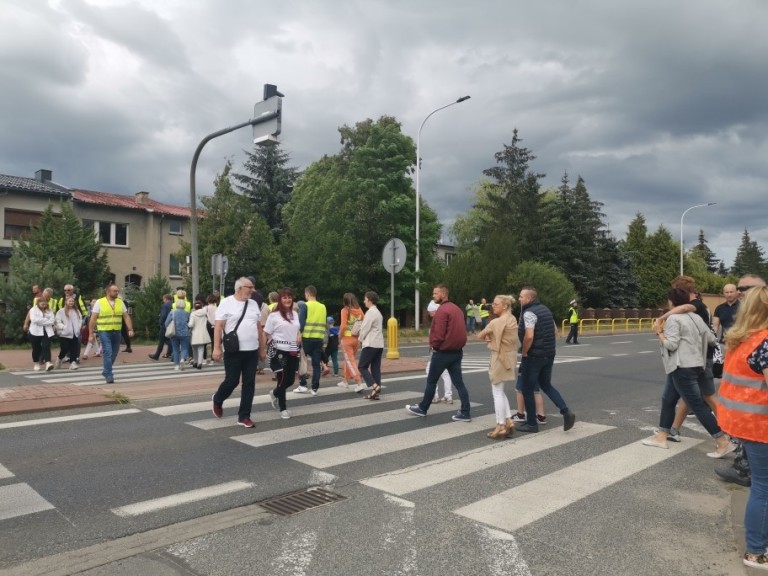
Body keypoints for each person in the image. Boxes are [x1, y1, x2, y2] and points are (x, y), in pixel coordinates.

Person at [642, 287, 735, 457]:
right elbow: (711, 339)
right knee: (668, 399)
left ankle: (722, 441)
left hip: (682, 367)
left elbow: (671, 345)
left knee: (697, 405)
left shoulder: (673, 319)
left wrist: (659, 332)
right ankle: (662, 436)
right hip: (695, 364)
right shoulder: (695, 317)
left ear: (672, 302)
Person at [716, 285, 768, 569]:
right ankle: (756, 552)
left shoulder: (741, 339)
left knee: (761, 485)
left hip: (744, 424)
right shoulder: (765, 342)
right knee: (763, 487)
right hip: (761, 426)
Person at [715, 274, 766, 488]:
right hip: (755, 422)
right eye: (738, 289)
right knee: (762, 488)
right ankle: (743, 468)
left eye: (745, 289)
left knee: (761, 488)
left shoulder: (752, 338)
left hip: (751, 421)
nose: (739, 293)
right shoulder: (754, 339)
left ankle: (743, 468)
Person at [653, 276, 716, 441]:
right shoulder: (697, 308)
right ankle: (671, 430)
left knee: (705, 398)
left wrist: (660, 322)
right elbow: (711, 337)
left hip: (693, 359)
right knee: (680, 398)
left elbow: (683, 309)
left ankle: (726, 434)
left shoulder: (694, 306)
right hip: (695, 358)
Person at [406, 284, 472, 422]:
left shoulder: (442, 310)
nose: (433, 296)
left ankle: (422, 408)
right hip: (457, 352)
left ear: (443, 294)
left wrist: (434, 346)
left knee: (431, 381)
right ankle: (465, 412)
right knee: (459, 383)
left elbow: (439, 333)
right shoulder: (457, 309)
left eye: (435, 293)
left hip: (442, 353)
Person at [516, 286, 576, 433]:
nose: (519, 299)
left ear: (529, 298)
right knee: (546, 385)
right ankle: (566, 412)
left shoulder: (529, 313)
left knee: (527, 389)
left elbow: (529, 336)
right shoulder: (545, 309)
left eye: (521, 296)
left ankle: (531, 424)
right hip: (549, 354)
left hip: (533, 356)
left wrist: (524, 351)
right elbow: (555, 331)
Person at [211, 277, 266, 428]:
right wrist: (216, 348)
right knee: (232, 380)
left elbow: (259, 328)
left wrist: (262, 349)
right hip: (233, 350)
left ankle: (244, 416)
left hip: (252, 350)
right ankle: (218, 398)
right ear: (240, 288)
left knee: (249, 383)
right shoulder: (226, 303)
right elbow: (218, 326)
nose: (253, 290)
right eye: (250, 287)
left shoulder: (253, 304)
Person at [477, 295, 519, 439]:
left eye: (496, 304)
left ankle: (500, 425)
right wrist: (493, 338)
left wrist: (489, 338)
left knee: (497, 392)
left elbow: (480, 335)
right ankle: (508, 420)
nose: (493, 306)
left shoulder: (496, 322)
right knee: (500, 390)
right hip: (510, 357)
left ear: (505, 306)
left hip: (499, 358)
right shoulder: (512, 319)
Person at [264, 287, 302, 419]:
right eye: (284, 297)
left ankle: (275, 393)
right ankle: (283, 408)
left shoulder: (295, 314)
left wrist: (299, 335)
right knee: (283, 378)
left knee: (290, 380)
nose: (287, 300)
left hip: (293, 350)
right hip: (279, 351)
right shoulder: (273, 316)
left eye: (289, 297)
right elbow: (266, 333)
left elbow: (296, 329)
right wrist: (263, 349)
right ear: (280, 300)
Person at [88, 283, 134, 384]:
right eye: (115, 291)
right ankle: (109, 374)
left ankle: (106, 370)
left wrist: (130, 329)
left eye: (117, 291)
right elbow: (93, 319)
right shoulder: (100, 302)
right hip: (104, 331)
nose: (117, 292)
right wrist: (90, 334)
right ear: (108, 292)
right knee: (107, 352)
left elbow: (126, 316)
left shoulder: (120, 302)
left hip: (116, 331)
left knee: (114, 353)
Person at [295, 285, 327, 395]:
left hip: (306, 338)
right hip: (318, 338)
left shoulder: (305, 305)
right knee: (316, 364)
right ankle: (314, 388)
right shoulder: (323, 307)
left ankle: (303, 385)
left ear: (307, 294)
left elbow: (301, 322)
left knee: (303, 362)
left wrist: (299, 334)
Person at [357, 291, 385, 399]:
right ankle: (375, 393)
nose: (364, 301)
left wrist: (360, 339)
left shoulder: (370, 312)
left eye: (365, 299)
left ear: (369, 300)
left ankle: (374, 386)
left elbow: (365, 328)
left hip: (371, 344)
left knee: (362, 366)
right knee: (375, 368)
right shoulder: (378, 312)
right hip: (379, 344)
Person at [427, 297, 453, 404]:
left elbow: (437, 337)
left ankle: (434, 396)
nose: (430, 314)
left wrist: (433, 347)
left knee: (430, 371)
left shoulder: (437, 321)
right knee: (445, 373)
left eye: (430, 312)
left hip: (437, 351)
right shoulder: (445, 319)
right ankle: (448, 396)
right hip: (447, 350)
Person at [339, 293, 364, 390]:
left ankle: (359, 382)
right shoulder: (360, 310)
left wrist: (340, 336)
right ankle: (345, 381)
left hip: (347, 339)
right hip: (356, 339)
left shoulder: (345, 310)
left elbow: (343, 326)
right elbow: (364, 322)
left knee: (350, 361)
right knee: (348, 360)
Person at [54, 296, 82, 369]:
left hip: (75, 333)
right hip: (64, 334)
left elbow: (80, 320)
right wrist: (63, 327)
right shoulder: (61, 311)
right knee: (64, 349)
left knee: (74, 349)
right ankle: (59, 358)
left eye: (72, 301)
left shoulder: (76, 311)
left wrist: (78, 327)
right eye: (69, 301)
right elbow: (57, 321)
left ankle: (73, 363)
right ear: (66, 302)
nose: (71, 302)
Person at [28, 298, 55, 371]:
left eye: (45, 303)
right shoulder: (33, 310)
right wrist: (46, 320)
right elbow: (34, 320)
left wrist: (41, 321)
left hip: (47, 331)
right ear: (38, 303)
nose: (43, 304)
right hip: (35, 332)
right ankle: (36, 363)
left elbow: (52, 321)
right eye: (41, 303)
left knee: (46, 346)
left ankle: (48, 363)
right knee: (36, 348)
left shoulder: (49, 310)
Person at [166, 299, 191, 371]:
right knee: (185, 348)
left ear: (176, 305)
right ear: (184, 305)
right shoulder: (187, 313)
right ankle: (182, 359)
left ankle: (176, 365)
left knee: (175, 349)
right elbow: (190, 323)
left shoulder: (172, 313)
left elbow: (166, 323)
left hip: (174, 333)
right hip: (185, 333)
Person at [188, 295, 211, 369]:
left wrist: (187, 324)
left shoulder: (193, 314)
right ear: (201, 306)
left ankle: (195, 362)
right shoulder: (204, 313)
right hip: (203, 333)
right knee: (201, 349)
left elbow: (191, 325)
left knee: (194, 349)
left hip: (195, 333)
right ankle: (200, 363)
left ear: (194, 307)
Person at [148, 294, 173, 361]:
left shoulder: (165, 306)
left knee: (162, 340)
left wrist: (160, 322)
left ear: (166, 299)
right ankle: (170, 353)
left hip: (164, 325)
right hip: (171, 325)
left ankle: (157, 355)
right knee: (167, 339)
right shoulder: (173, 305)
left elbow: (163, 315)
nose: (163, 300)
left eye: (163, 299)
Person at [205, 294, 219, 365]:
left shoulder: (206, 308)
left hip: (207, 326)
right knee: (214, 343)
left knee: (205, 343)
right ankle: (213, 359)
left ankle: (204, 358)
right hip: (215, 326)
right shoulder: (217, 308)